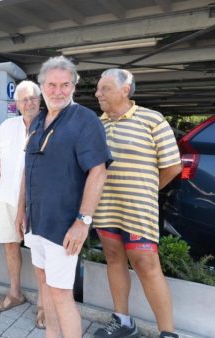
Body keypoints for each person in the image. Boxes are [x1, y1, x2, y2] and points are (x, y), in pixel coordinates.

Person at [16, 56, 112, 338]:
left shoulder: (85, 120)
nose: (58, 91)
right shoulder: (36, 121)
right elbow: (28, 168)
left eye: (65, 85)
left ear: (74, 86)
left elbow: (98, 171)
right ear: (42, 86)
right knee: (44, 285)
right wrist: (22, 210)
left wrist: (83, 221)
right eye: (52, 85)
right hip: (36, 221)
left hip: (64, 225)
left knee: (60, 293)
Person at [93, 68, 181, 338]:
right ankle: (123, 322)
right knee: (113, 258)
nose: (98, 93)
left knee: (146, 264)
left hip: (138, 210)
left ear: (124, 89)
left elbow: (173, 167)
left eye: (104, 88)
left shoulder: (152, 119)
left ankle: (167, 332)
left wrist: (145, 191)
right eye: (98, 89)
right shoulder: (98, 124)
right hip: (105, 207)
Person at [0, 81, 44, 326]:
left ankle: (44, 303)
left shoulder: (49, 125)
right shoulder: (7, 125)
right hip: (7, 196)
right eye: (23, 100)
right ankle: (15, 292)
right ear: (16, 104)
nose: (28, 103)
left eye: (32, 98)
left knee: (41, 253)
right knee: (11, 245)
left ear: (40, 101)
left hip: (39, 201)